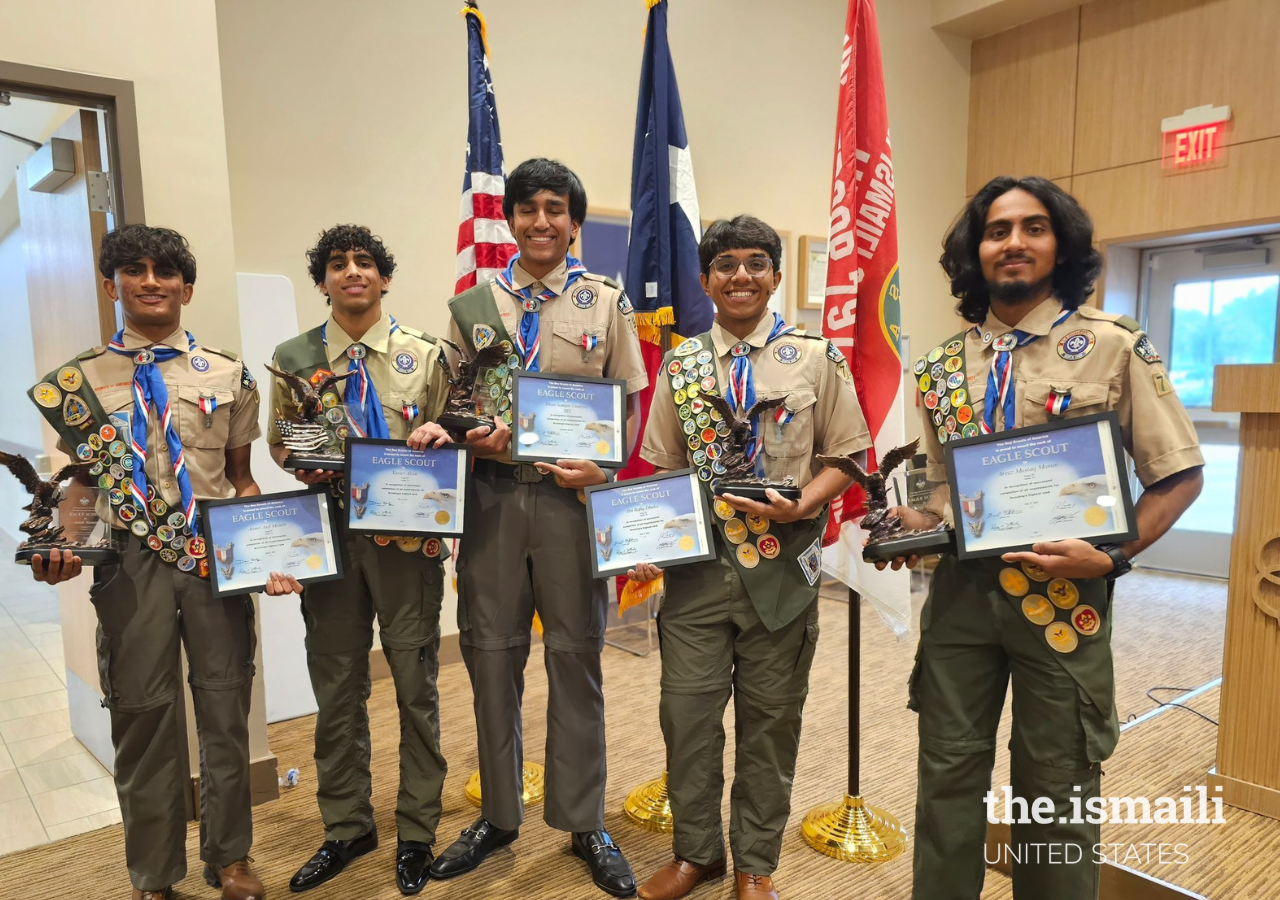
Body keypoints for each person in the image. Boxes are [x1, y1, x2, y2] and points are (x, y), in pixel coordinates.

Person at [882, 177, 1204, 900]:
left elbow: (1178, 477)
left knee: (1056, 786)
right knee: (947, 774)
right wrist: (918, 522)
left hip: (1064, 598)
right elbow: (943, 492)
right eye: (998, 231)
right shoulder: (938, 369)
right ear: (977, 250)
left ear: (1060, 245)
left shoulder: (1114, 347)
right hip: (962, 601)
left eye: (1033, 227)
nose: (1014, 242)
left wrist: (1115, 555)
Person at [409, 158, 647, 897]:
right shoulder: (472, 304)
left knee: (576, 656)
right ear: (508, 219)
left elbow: (629, 407)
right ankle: (501, 815)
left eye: (555, 209)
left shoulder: (605, 303)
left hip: (569, 505)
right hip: (491, 503)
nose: (541, 221)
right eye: (527, 209)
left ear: (575, 222)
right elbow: (449, 400)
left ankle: (583, 820)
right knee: (490, 656)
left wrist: (603, 473)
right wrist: (450, 432)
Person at [628, 215, 871, 900]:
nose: (741, 275)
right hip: (699, 575)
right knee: (687, 716)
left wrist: (804, 505)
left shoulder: (816, 358)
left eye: (757, 262)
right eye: (726, 264)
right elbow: (662, 468)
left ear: (774, 276)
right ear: (706, 279)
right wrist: (645, 543)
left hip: (780, 576)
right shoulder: (681, 363)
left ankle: (754, 863)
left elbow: (846, 456)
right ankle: (697, 852)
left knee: (770, 723)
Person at [27, 225, 265, 900]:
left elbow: (242, 477)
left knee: (225, 709)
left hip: (211, 559)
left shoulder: (226, 372)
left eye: (166, 271)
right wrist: (65, 546)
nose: (151, 280)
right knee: (142, 715)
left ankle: (231, 858)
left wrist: (265, 543)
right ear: (113, 286)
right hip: (130, 565)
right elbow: (80, 481)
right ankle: (154, 874)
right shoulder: (79, 383)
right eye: (134, 269)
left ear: (187, 289)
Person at [261, 225, 449, 896]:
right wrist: (307, 462)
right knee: (337, 686)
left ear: (384, 277)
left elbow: (450, 437)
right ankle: (346, 826)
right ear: (323, 282)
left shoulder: (425, 355)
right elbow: (285, 447)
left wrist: (438, 438)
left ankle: (418, 831)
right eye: (337, 265)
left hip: (406, 542)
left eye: (364, 262)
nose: (352, 273)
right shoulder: (295, 356)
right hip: (330, 536)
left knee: (415, 686)